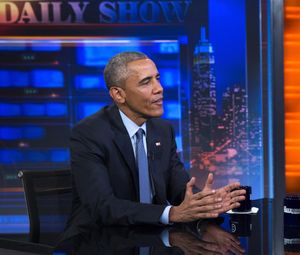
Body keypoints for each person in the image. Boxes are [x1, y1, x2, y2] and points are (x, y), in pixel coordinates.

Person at [66, 51, 245, 233]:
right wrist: (171, 214)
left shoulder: (162, 130)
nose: (159, 88)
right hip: (101, 242)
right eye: (146, 82)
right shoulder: (89, 134)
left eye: (157, 79)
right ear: (118, 94)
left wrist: (206, 202)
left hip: (154, 240)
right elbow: (102, 206)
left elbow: (180, 189)